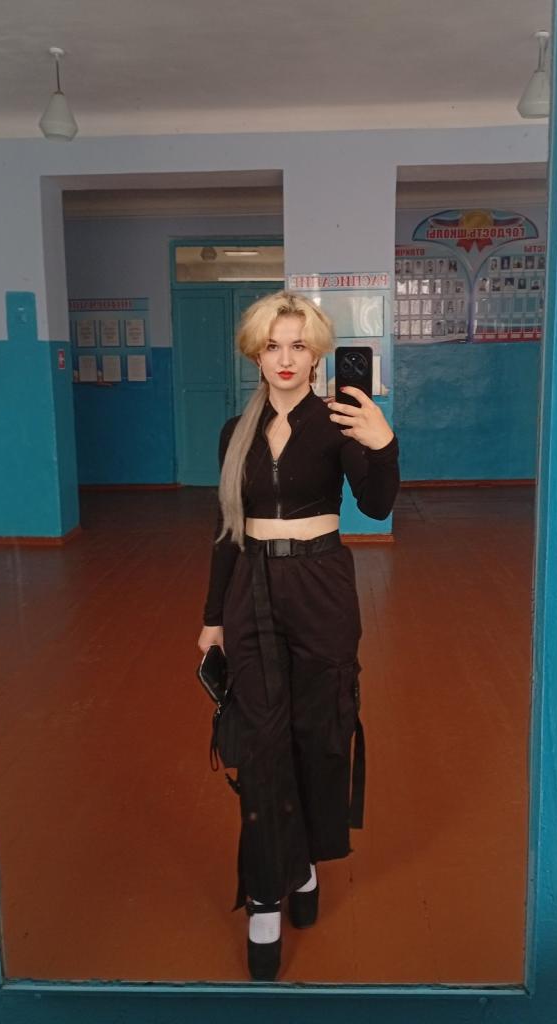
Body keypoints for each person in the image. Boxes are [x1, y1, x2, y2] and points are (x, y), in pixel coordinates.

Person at [197, 290, 400, 982]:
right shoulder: (235, 432)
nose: (285, 358)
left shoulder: (340, 423)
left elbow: (376, 504)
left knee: (318, 734)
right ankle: (264, 893)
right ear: (255, 354)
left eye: (298, 345)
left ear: (317, 356)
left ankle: (306, 861)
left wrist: (383, 444)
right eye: (272, 345)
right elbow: (225, 528)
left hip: (321, 586)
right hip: (250, 589)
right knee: (260, 742)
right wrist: (212, 617)